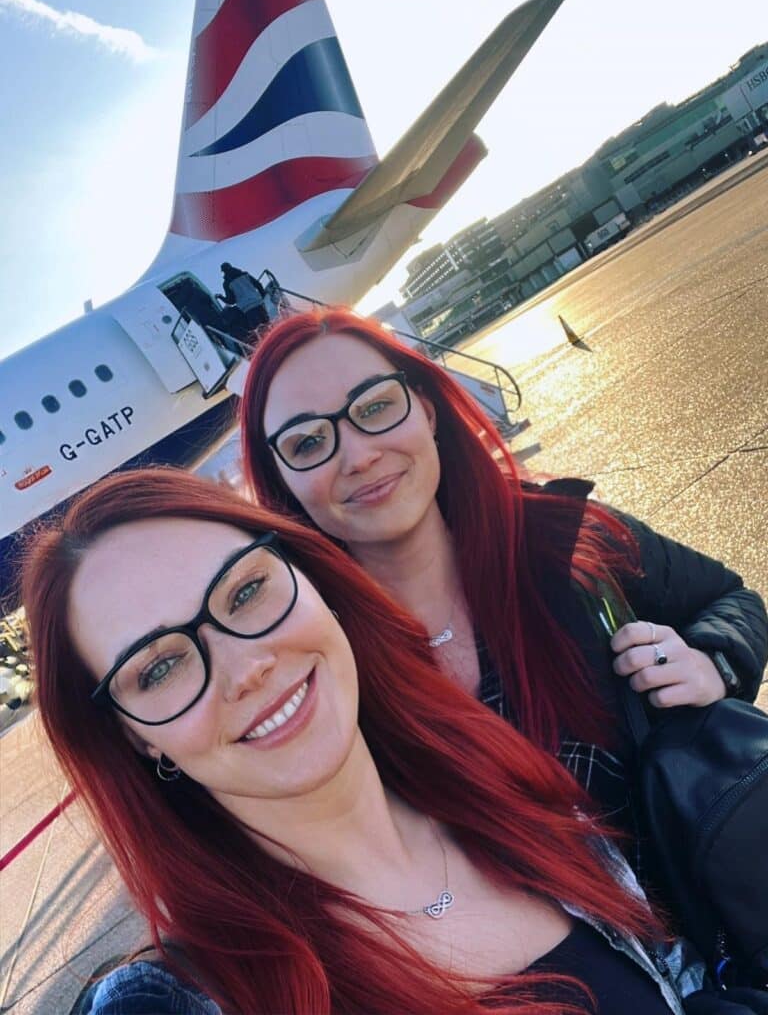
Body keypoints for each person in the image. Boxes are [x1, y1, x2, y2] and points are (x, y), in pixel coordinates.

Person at [24, 468, 712, 1015]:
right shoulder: (175, 1001)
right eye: (160, 667)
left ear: (310, 580)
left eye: (244, 593)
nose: (246, 668)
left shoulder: (507, 787)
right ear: (136, 738)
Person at [239, 307, 768, 873]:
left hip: (721, 924)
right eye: (307, 443)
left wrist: (714, 661)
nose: (359, 456)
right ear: (282, 481)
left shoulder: (564, 539)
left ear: (425, 407)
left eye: (375, 407)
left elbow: (729, 599)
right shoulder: (314, 672)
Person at [215, 262, 268, 330]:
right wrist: (263, 296)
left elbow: (231, 301)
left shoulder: (227, 283)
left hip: (247, 308)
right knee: (268, 323)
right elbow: (258, 285)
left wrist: (220, 297)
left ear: (223, 272)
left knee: (260, 329)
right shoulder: (245, 275)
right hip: (258, 302)